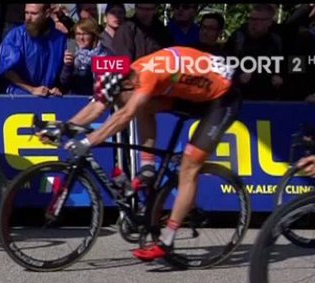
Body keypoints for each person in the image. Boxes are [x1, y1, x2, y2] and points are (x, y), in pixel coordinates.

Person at [54, 46, 241, 261]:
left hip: (222, 98)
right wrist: (64, 127)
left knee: (189, 167)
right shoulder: (129, 75)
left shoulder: (147, 76)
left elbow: (126, 114)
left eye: (117, 99)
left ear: (128, 85)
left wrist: (87, 142)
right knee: (142, 106)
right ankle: (148, 167)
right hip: (191, 93)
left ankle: (167, 240)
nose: (116, 104)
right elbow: (98, 106)